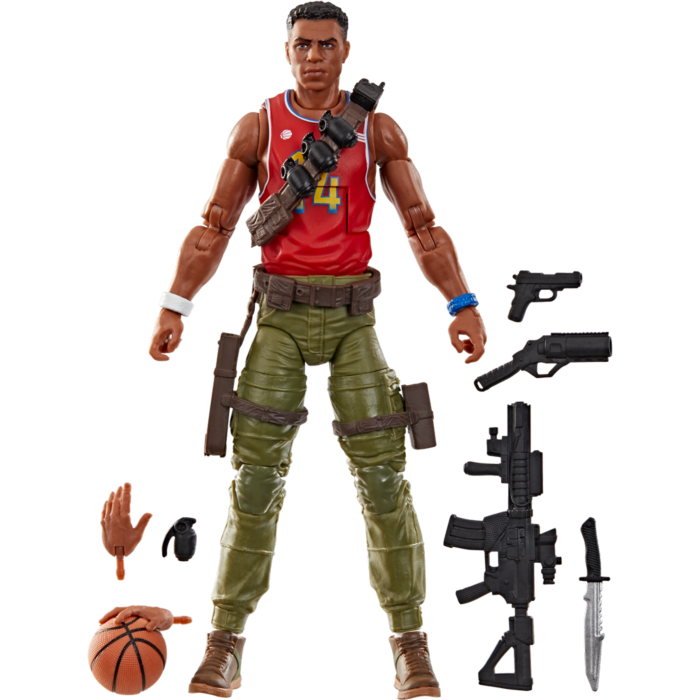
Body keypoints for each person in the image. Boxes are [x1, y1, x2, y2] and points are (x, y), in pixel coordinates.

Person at [149, 3, 486, 697]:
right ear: (286, 52)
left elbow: (421, 224)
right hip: (279, 318)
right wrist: (176, 305)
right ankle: (225, 642)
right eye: (302, 45)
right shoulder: (259, 127)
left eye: (326, 45)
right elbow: (215, 224)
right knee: (255, 481)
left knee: (384, 478)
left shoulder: (377, 129)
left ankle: (410, 642)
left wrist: (462, 303)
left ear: (346, 51)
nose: (314, 57)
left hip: (354, 320)